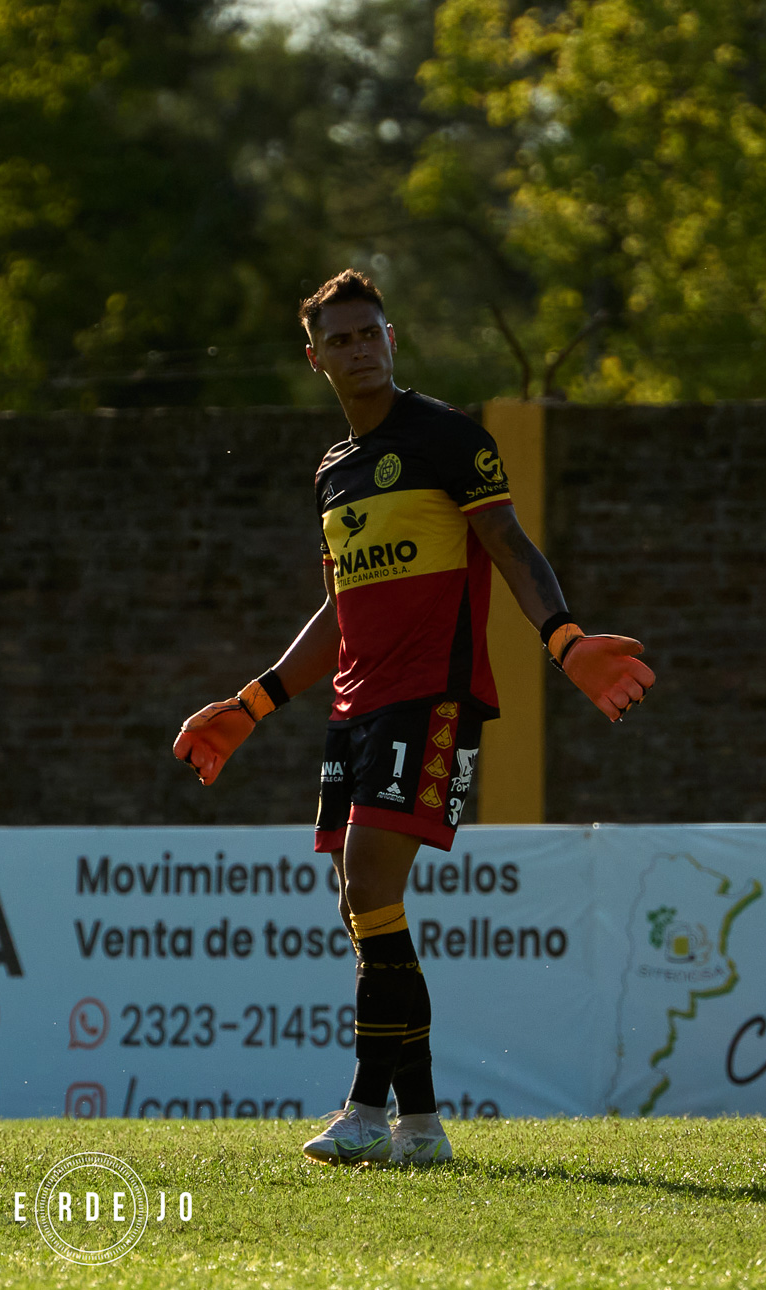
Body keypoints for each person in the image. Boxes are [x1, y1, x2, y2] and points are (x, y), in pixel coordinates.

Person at [173, 271, 653, 1167]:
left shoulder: (448, 439)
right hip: (353, 707)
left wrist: (565, 639)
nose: (359, 349)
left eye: (371, 333)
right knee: (365, 909)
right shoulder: (333, 473)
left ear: (392, 340)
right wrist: (254, 703)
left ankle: (362, 1108)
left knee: (367, 888)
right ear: (315, 358)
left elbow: (509, 544)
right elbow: (339, 610)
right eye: (340, 340)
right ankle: (422, 1125)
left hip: (431, 696)